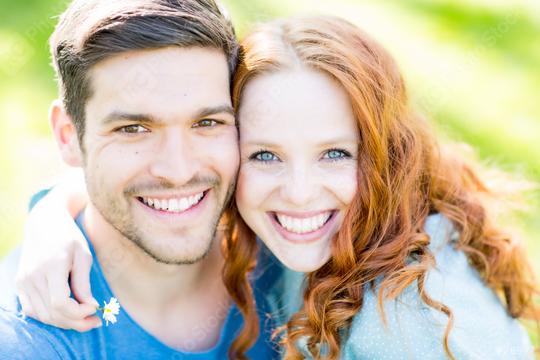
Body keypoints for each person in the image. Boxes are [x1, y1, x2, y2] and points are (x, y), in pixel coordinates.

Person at [13, 13, 539, 360]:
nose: (299, 193)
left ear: (385, 156)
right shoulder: (284, 242)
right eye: (265, 155)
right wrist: (52, 213)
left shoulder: (408, 321)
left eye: (335, 153)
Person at [0, 0, 280, 359]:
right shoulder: (26, 339)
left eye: (207, 123)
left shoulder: (293, 253)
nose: (178, 172)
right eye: (133, 129)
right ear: (68, 136)